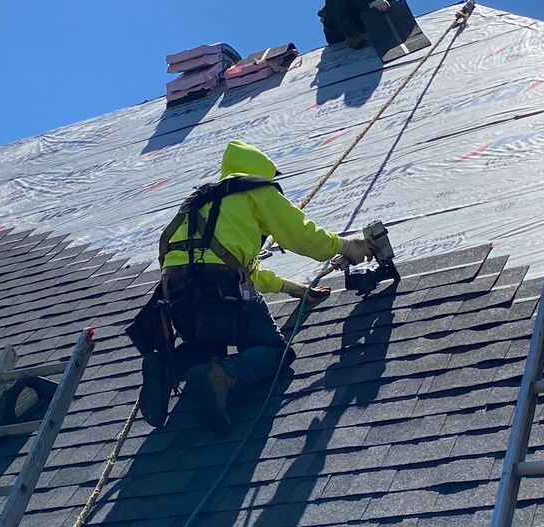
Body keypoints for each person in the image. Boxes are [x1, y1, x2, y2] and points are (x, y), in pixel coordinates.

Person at [130, 140, 372, 432]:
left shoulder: (201, 202)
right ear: (262, 171)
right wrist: (345, 245)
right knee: (274, 351)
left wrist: (289, 288)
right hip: (220, 289)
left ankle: (169, 369)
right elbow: (301, 235)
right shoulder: (257, 189)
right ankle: (223, 375)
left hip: (177, 294)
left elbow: (232, 265)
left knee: (207, 347)